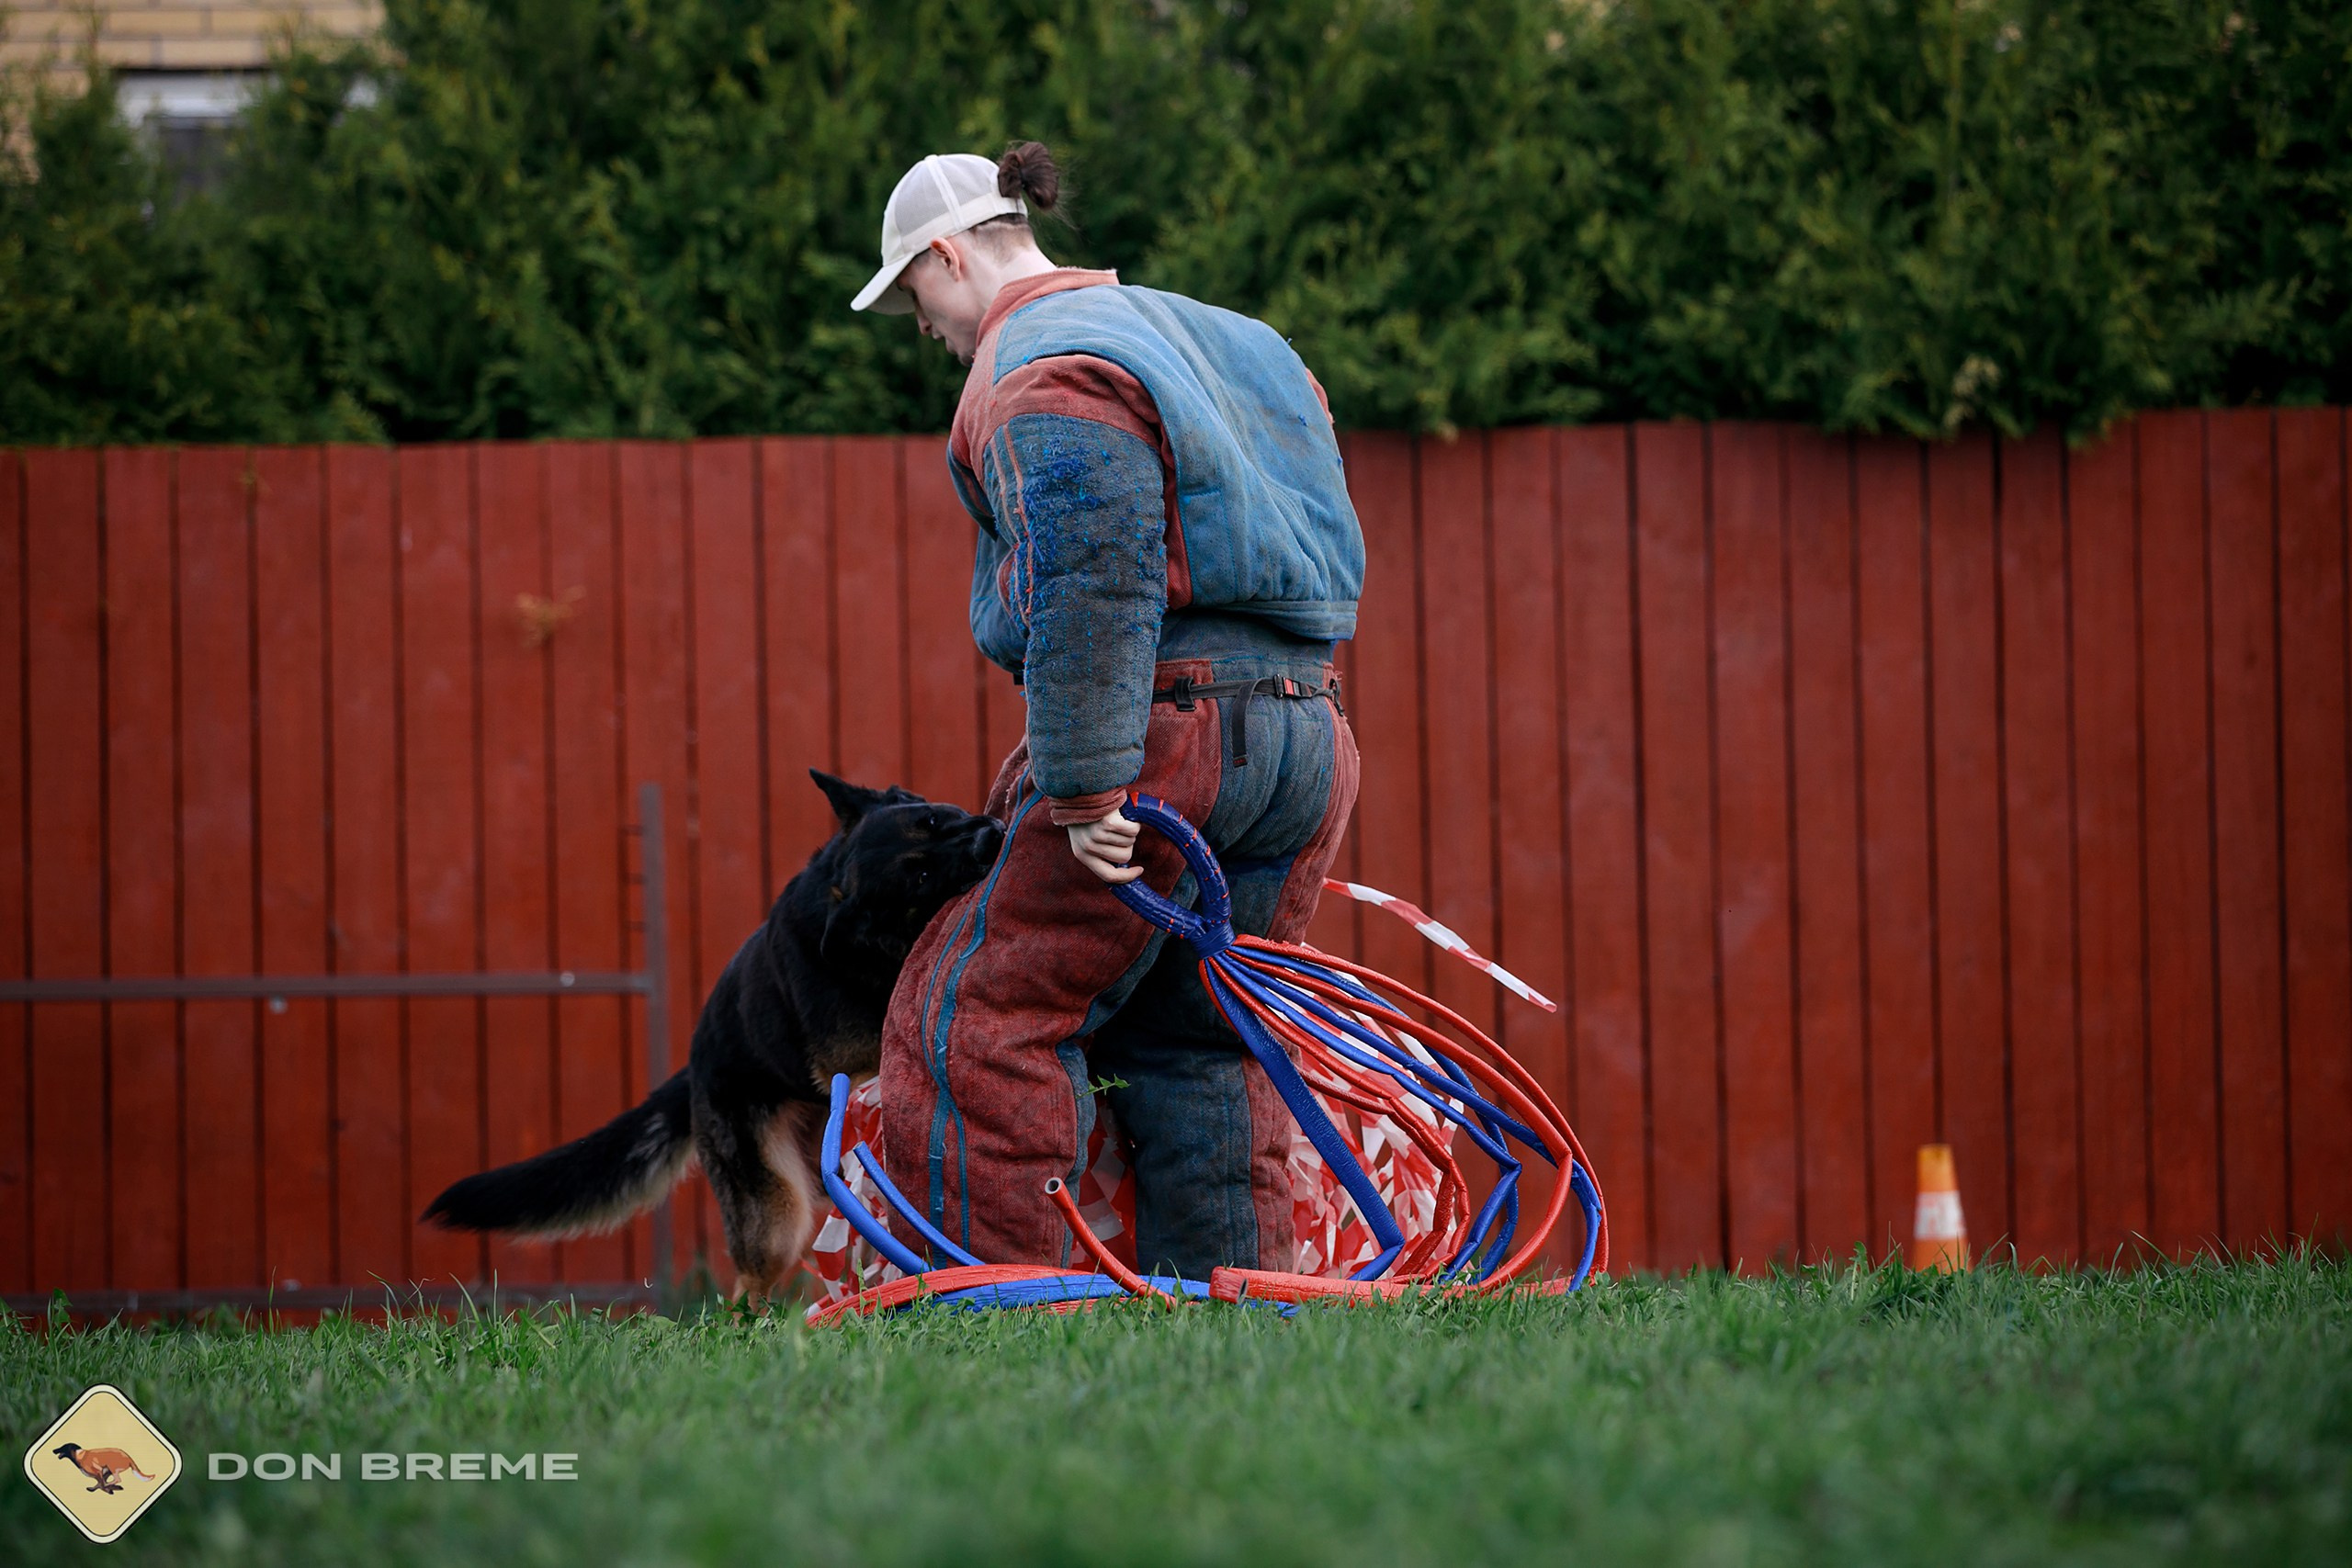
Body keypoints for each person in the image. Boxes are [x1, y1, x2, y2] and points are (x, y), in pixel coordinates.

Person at [852, 142, 1363, 1280]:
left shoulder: (1040, 366)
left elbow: (1094, 575)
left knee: (979, 1023)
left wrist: (1085, 788)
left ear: (949, 255)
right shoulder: (1237, 339)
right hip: (1309, 732)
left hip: (1168, 737)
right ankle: (1242, 1312)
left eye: (913, 295)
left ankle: (1007, 1317)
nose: (921, 326)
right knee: (1207, 1036)